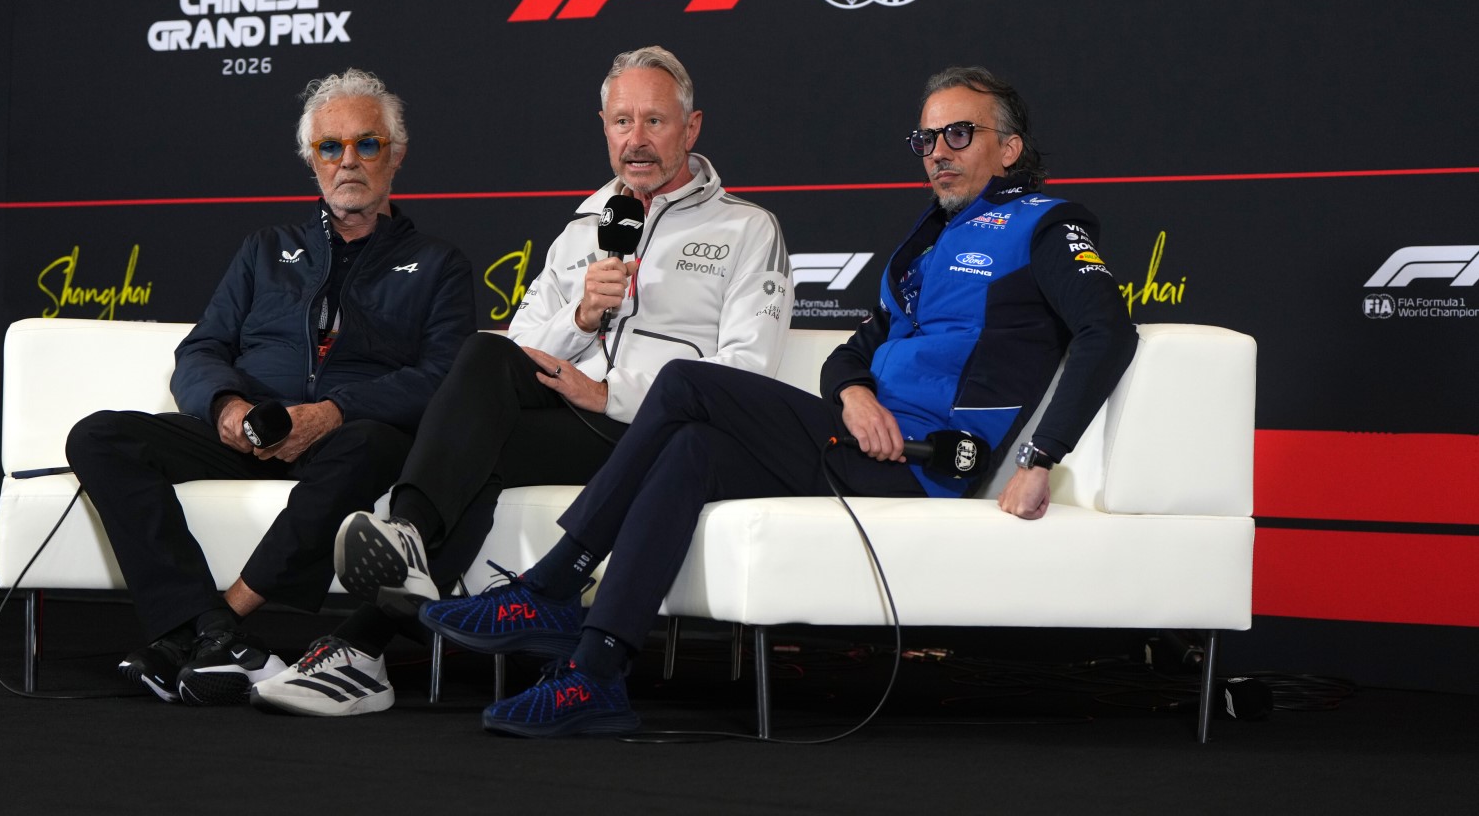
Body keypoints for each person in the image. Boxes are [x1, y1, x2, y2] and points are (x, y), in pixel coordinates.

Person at [420, 65, 1141, 737]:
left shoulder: (1045, 226)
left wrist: (1041, 458)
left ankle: (555, 579)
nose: (938, 152)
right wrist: (854, 394)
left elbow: (1107, 333)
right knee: (692, 448)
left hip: (928, 463)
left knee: (684, 384)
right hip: (861, 445)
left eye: (961, 134)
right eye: (927, 137)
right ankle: (596, 675)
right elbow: (852, 355)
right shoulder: (925, 246)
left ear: (1010, 149)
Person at [249, 46, 793, 717]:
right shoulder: (582, 229)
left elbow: (744, 379)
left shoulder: (746, 229)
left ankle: (364, 640)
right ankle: (391, 587)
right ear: (603, 126)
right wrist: (583, 314)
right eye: (622, 122)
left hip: (656, 435)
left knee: (480, 449)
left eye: (655, 121)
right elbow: (521, 349)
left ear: (692, 128)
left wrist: (612, 393)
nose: (637, 139)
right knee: (482, 363)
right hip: (575, 422)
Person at [65, 68, 476, 705]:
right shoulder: (265, 249)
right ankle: (206, 632)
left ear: (395, 156)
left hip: (350, 439)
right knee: (100, 437)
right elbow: (202, 348)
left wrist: (333, 411)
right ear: (310, 161)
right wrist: (227, 407)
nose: (348, 162)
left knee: (371, 447)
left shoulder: (439, 264)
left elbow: (443, 377)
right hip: (249, 428)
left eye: (367, 144)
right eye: (330, 147)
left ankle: (218, 625)